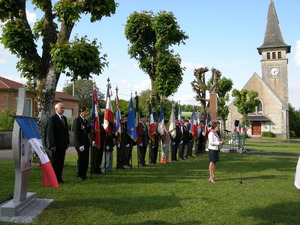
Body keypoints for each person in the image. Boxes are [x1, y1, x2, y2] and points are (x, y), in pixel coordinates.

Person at [47, 102, 70, 184]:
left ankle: (59, 178)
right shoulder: (53, 118)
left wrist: (67, 142)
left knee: (61, 162)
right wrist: (52, 145)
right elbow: (51, 132)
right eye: (61, 108)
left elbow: (66, 131)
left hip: (63, 145)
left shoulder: (64, 118)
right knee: (55, 162)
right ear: (56, 109)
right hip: (56, 145)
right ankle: (54, 179)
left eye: (64, 108)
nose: (63, 109)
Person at [73, 107, 90, 180]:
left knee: (86, 159)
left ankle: (84, 174)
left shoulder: (85, 121)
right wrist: (80, 145)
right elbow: (76, 133)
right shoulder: (77, 120)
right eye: (85, 112)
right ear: (81, 112)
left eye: (86, 112)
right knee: (81, 159)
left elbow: (86, 131)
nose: (86, 113)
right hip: (80, 144)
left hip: (86, 143)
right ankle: (80, 174)